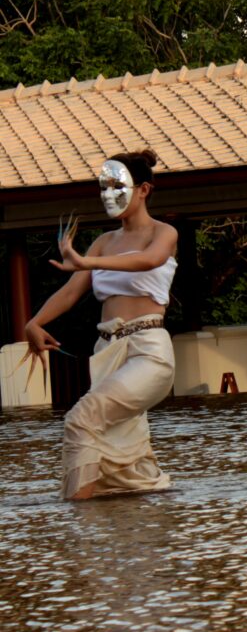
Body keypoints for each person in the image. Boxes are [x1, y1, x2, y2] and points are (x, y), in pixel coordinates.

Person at [24, 150, 179, 500]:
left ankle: (78, 530)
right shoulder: (104, 241)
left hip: (148, 352)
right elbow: (69, 293)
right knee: (121, 461)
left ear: (144, 189)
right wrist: (34, 323)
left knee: (82, 420)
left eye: (117, 185)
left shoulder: (163, 233)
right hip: (108, 353)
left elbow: (149, 260)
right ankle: (131, 537)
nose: (108, 194)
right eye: (103, 187)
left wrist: (86, 260)